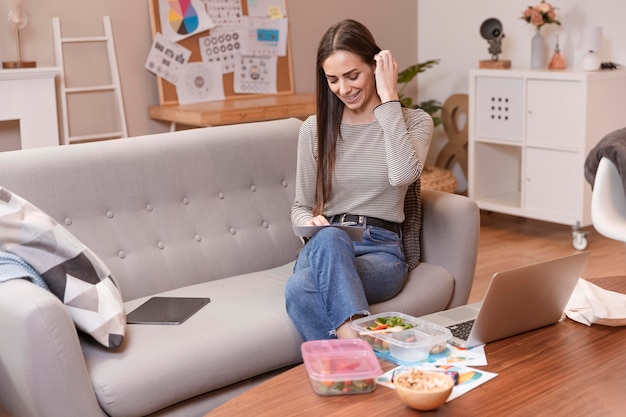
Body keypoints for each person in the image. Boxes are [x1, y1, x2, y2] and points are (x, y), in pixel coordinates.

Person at [285, 19, 433, 341]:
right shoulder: (314, 129)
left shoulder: (415, 122)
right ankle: (356, 348)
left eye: (353, 76)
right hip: (324, 247)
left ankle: (344, 364)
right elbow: (299, 206)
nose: (344, 89)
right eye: (333, 80)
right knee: (331, 239)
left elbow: (403, 175)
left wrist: (389, 99)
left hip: (382, 252)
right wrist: (312, 222)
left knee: (301, 287)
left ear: (376, 66)